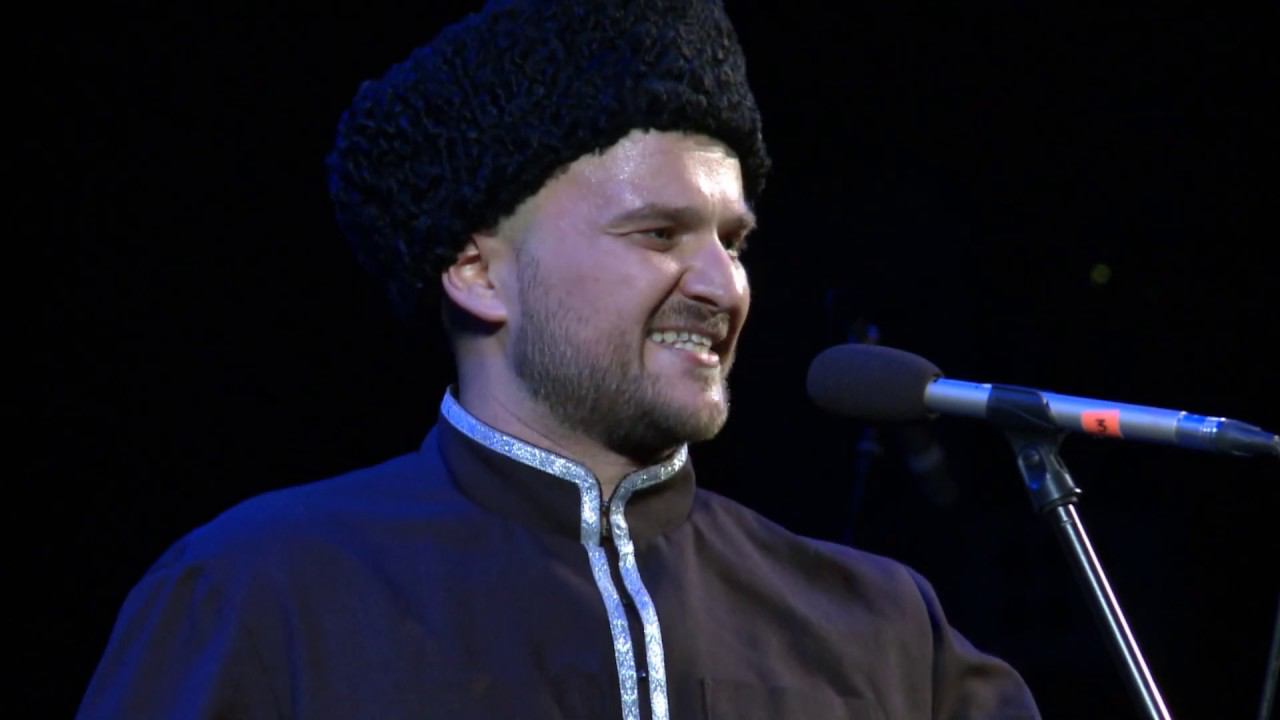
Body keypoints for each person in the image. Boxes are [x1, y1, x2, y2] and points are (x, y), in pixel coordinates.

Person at [78, 1, 1041, 718]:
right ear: (476, 272)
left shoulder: (882, 630)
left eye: (734, 240)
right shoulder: (258, 594)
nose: (724, 285)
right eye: (659, 232)